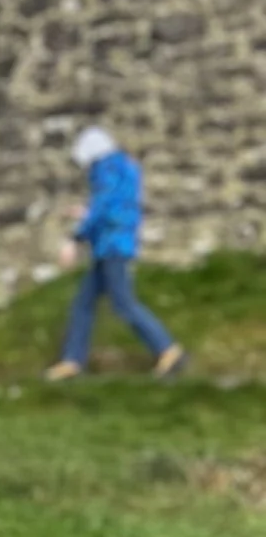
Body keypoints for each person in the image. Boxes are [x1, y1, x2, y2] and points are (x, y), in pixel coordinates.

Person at [45, 127, 186, 382]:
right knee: (84, 303)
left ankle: (167, 349)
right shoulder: (124, 167)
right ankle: (72, 361)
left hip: (112, 247)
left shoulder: (105, 169)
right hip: (112, 245)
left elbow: (103, 208)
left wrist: (74, 238)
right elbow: (114, 206)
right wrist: (87, 213)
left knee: (123, 303)